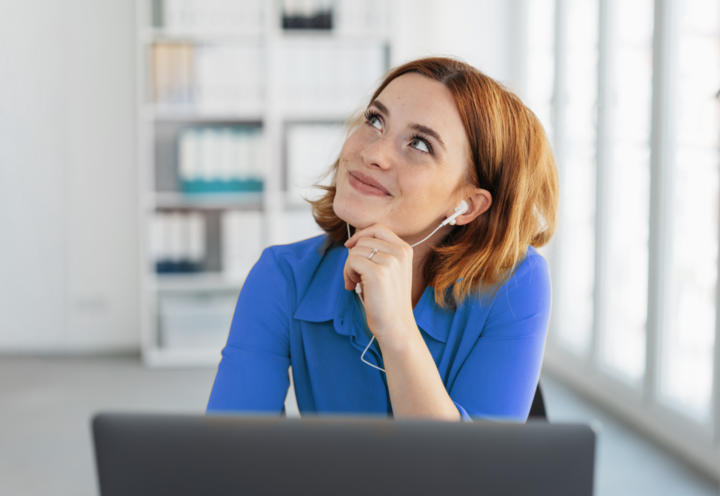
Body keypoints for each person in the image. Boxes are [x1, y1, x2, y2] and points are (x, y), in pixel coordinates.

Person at [207, 57, 559, 422]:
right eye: (375, 120)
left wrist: (398, 331)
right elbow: (232, 456)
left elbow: (472, 475)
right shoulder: (281, 276)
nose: (372, 153)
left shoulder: (516, 283)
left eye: (420, 144)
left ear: (467, 205)